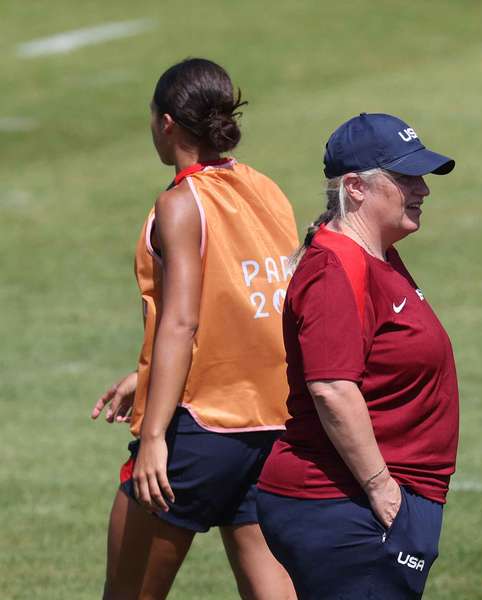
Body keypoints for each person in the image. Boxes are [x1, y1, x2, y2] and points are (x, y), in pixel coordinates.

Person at [91, 58, 298, 600]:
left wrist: (155, 436)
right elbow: (254, 303)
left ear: (166, 124)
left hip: (200, 428)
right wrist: (146, 373)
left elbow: (182, 320)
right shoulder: (264, 188)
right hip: (271, 424)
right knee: (266, 579)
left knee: (129, 592)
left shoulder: (181, 204)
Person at [255, 113, 459, 600]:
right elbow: (331, 388)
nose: (423, 189)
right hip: (343, 503)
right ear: (355, 187)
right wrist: (382, 489)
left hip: (366, 500)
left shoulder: (376, 255)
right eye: (406, 177)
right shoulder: (337, 267)